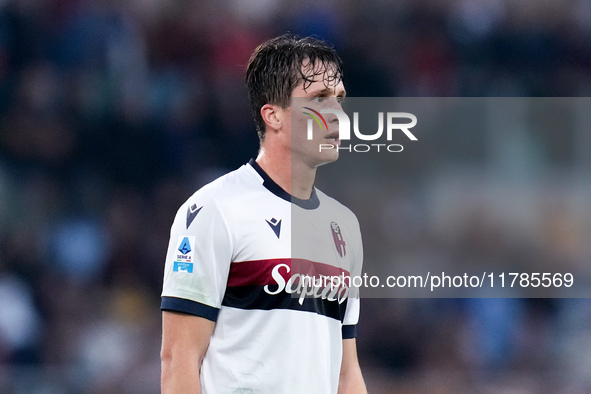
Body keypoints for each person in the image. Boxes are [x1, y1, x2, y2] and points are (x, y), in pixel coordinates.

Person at [160, 34, 367, 394]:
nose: (336, 114)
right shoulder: (214, 209)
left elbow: (346, 371)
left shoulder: (344, 226)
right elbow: (179, 359)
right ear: (273, 115)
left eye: (340, 99)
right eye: (319, 98)